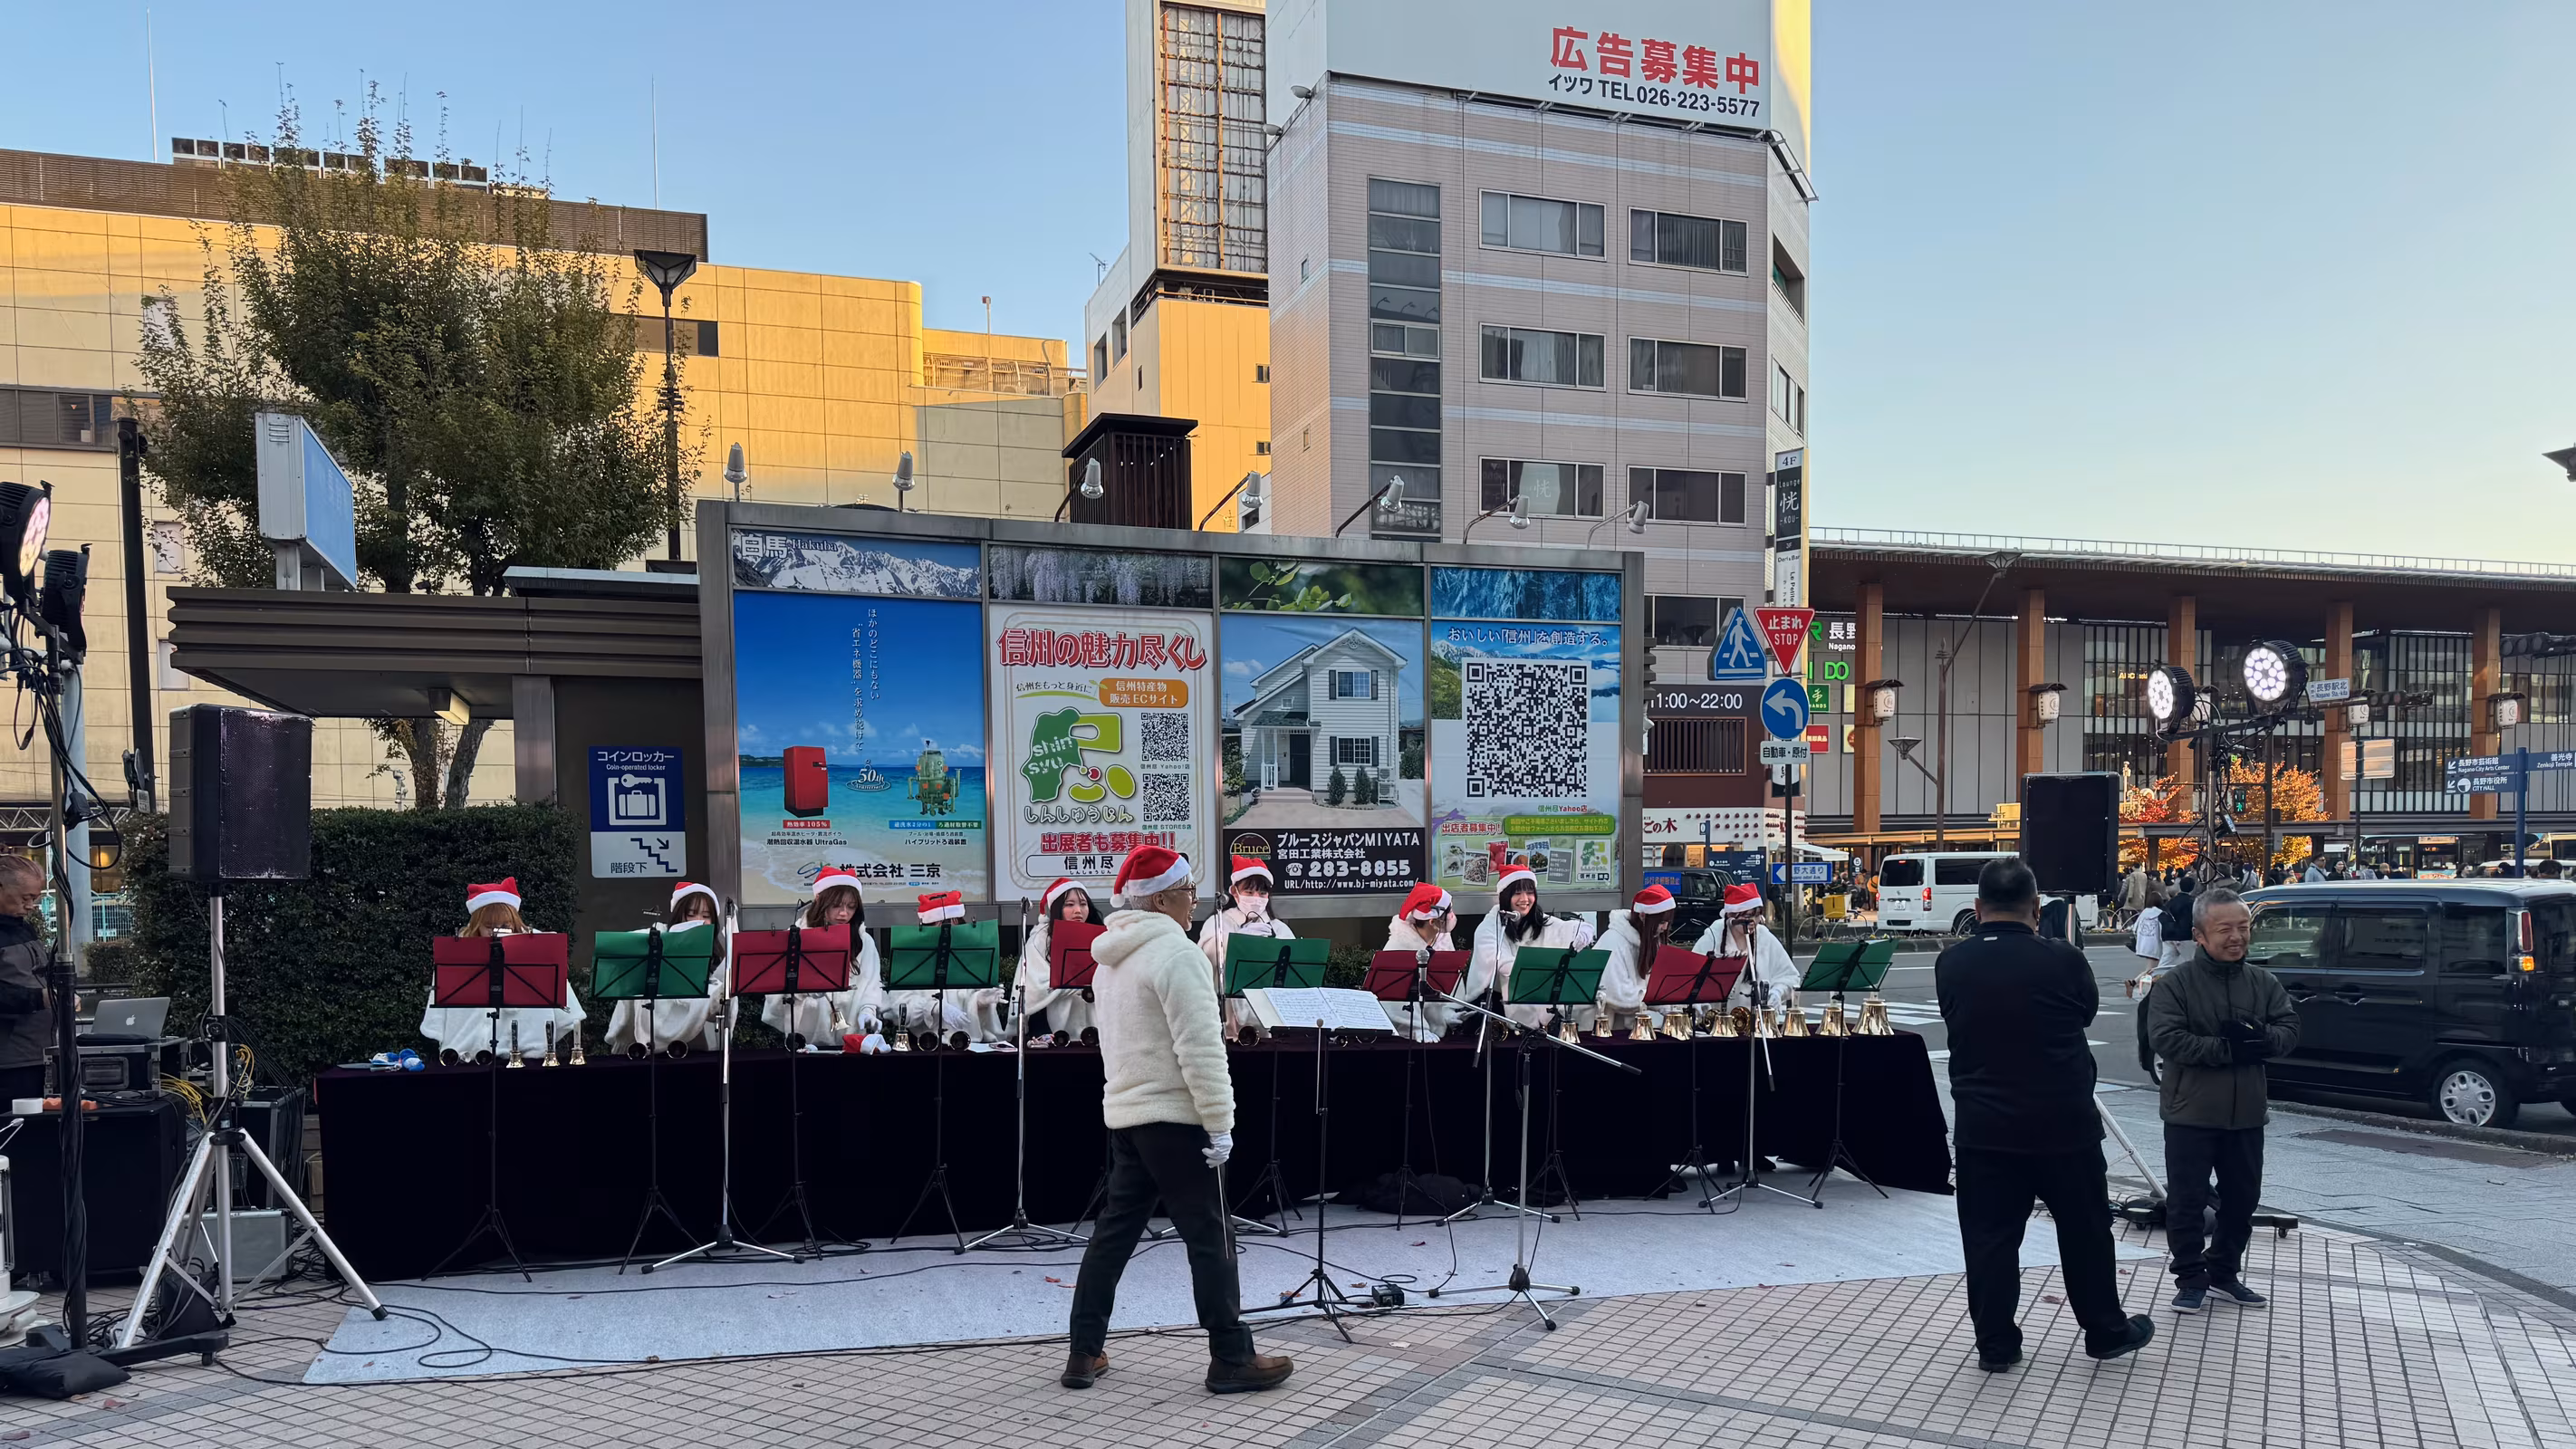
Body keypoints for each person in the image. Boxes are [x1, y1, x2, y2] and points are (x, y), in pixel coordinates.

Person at [1062, 845, 1291, 1396]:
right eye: (1187, 891)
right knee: (1210, 1236)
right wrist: (1220, 1121)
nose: (1194, 901)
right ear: (1162, 899)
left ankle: (1083, 1352)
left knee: (1113, 1235)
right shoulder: (1177, 954)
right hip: (1176, 1116)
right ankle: (1231, 1356)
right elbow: (1201, 1048)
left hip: (1128, 1115)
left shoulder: (1110, 957)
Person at [1936, 857, 2157, 1371]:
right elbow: (2085, 1013)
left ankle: (1996, 1345)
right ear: (2036, 908)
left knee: (1989, 1239)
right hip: (2063, 1123)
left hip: (1984, 1127)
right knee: (2085, 1231)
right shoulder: (2063, 959)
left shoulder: (1952, 962)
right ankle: (2105, 1331)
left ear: (1977, 908)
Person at [2143, 887, 2299, 1314]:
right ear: (2199, 935)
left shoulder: (2263, 982)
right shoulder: (2175, 984)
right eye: (2225, 929)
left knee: (2242, 1199)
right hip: (2190, 1112)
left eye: (2243, 927)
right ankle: (2190, 1277)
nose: (2237, 937)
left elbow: (2289, 1028)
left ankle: (2224, 1272)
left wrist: (2263, 1040)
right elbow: (2167, 1039)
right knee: (2187, 1200)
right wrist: (2229, 1049)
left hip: (2246, 1112)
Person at [422, 878, 586, 1063]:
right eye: (489, 926)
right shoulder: (457, 952)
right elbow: (441, 1008)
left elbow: (566, 1011)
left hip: (528, 1057)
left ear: (514, 923)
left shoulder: (538, 948)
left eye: (505, 926)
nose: (496, 931)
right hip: (468, 1057)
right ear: (477, 925)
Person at [762, 867, 885, 1047]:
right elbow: (775, 997)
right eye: (836, 905)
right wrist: (802, 991)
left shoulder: (864, 941)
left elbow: (871, 986)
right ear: (820, 901)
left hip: (852, 1042)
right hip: (804, 1042)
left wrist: (868, 1011)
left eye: (851, 907)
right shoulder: (794, 938)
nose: (844, 913)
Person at [1465, 867, 1597, 1030]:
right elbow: (1496, 960)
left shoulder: (1539, 920)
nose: (1525, 899)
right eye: (1517, 893)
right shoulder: (1489, 927)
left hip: (1540, 1006)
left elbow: (1572, 929)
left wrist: (1583, 933)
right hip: (1499, 1010)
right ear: (1505, 896)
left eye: (1529, 892)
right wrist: (1537, 970)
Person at [607, 881, 726, 1056]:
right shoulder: (659, 934)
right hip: (647, 1037)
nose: (699, 921)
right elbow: (619, 946)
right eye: (691, 914)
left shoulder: (714, 954)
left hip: (694, 1041)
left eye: (706, 916)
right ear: (679, 915)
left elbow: (717, 1001)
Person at [887, 890, 1006, 1044]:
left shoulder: (973, 954)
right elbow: (897, 1008)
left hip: (970, 1044)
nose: (949, 931)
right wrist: (932, 1007)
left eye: (954, 922)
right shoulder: (911, 956)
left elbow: (976, 1007)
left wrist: (979, 1001)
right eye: (941, 924)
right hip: (926, 1043)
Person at [1197, 857, 1294, 1037]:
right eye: (1249, 892)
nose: (1256, 899)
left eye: (1262, 893)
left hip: (1271, 1028)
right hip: (1227, 1030)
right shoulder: (1219, 922)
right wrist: (1239, 941)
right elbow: (1205, 958)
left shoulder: (1279, 928)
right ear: (1234, 892)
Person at [1687, 883, 1801, 1018]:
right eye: (1747, 916)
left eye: (1757, 916)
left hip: (1757, 1020)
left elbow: (1790, 977)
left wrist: (1777, 992)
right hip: (1718, 1021)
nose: (1753, 922)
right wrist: (1698, 1001)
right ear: (1731, 916)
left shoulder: (1764, 937)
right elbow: (1689, 980)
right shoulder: (1712, 939)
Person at [1016, 878, 1100, 1041]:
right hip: (1051, 1027)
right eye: (1070, 904)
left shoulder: (1099, 937)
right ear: (1057, 908)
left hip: (1094, 1025)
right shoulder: (1041, 939)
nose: (1078, 910)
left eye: (1083, 904)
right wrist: (1076, 988)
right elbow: (1035, 984)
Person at [0, 856, 53, 1105]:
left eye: (35, 898)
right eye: (26, 898)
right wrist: (39, 998)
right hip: (10, 1062)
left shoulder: (23, 928)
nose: (31, 906)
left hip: (40, 1053)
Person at [1594, 884, 1680, 1035]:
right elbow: (1617, 995)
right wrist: (1659, 1002)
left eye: (1668, 922)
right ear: (1643, 916)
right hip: (1606, 1030)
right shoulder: (1613, 941)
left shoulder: (1651, 939)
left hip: (1634, 1026)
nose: (1665, 928)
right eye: (1661, 922)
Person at [1379, 883, 1458, 1041]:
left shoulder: (1441, 938)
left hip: (1437, 1033)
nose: (1452, 916)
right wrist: (1416, 1028)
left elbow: (1447, 985)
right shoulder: (1397, 947)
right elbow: (1393, 1000)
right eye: (1449, 911)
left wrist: (1449, 1013)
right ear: (1432, 921)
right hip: (1403, 1038)